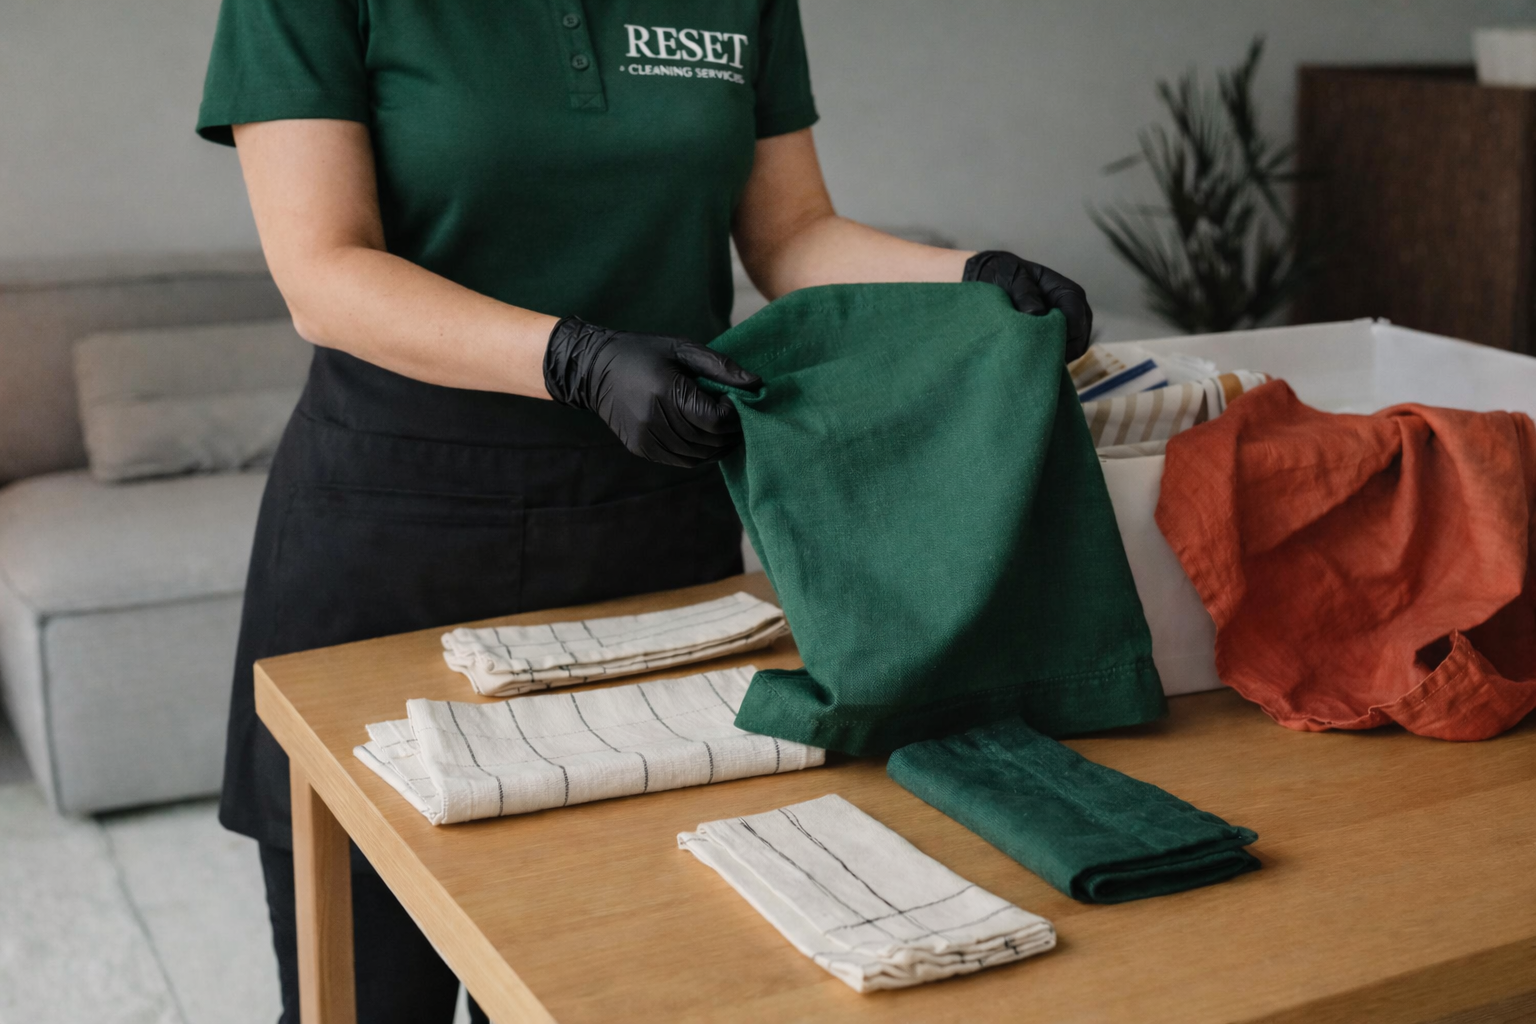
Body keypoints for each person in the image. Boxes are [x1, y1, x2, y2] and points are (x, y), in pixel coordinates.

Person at [196, 2, 1092, 1021]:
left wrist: (967, 278)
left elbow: (793, 236)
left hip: (662, 546)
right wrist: (573, 358)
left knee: (601, 982)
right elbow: (325, 273)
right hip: (396, 534)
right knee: (368, 998)